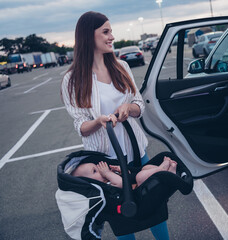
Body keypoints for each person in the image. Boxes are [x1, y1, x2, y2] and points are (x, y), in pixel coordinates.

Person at [61, 11, 170, 240]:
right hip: (105, 162)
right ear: (88, 37)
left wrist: (128, 109)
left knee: (154, 208)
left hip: (136, 152)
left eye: (111, 31)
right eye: (106, 32)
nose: (112, 36)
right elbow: (80, 125)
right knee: (123, 217)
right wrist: (99, 121)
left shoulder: (121, 66)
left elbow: (138, 104)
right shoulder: (72, 80)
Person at [71, 156, 177, 188]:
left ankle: (170, 171)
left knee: (145, 168)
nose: (100, 170)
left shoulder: (109, 177)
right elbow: (122, 183)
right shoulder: (106, 186)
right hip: (139, 190)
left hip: (141, 182)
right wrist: (108, 173)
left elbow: (128, 177)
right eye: (94, 171)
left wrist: (122, 171)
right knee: (140, 176)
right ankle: (162, 170)